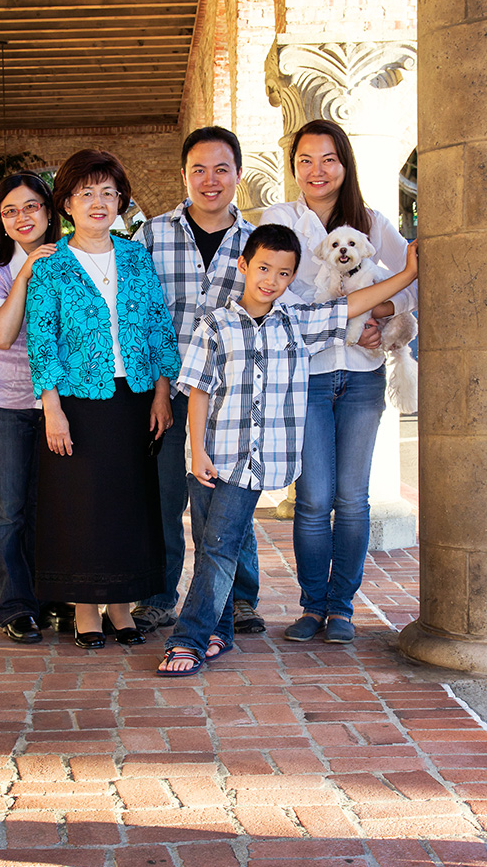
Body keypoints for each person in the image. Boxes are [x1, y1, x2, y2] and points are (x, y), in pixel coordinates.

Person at [158, 224, 419, 674]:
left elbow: (352, 304)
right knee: (216, 544)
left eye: (283, 273)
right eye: (263, 268)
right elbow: (199, 391)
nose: (271, 280)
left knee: (218, 547)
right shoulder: (214, 325)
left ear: (292, 277)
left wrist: (409, 272)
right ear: (243, 266)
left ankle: (189, 639)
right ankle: (221, 631)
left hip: (254, 462)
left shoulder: (296, 323)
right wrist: (196, 451)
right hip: (207, 457)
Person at [260, 120, 419, 644]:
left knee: (352, 499)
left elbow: (410, 284)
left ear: (344, 164)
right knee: (312, 497)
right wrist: (343, 307)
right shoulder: (282, 219)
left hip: (363, 379)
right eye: (304, 160)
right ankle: (311, 606)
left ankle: (342, 608)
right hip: (306, 376)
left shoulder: (372, 224)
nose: (316, 170)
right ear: (294, 168)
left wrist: (385, 310)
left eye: (327, 159)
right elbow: (275, 292)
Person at [26, 148, 180, 649]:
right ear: (66, 203)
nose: (98, 202)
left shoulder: (137, 257)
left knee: (129, 504)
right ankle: (85, 610)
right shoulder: (51, 264)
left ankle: (121, 605)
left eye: (108, 193)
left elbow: (158, 327)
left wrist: (161, 394)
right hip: (75, 402)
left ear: (121, 202)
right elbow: (41, 339)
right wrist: (51, 408)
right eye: (86, 193)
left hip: (133, 398)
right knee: (82, 505)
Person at [131, 126, 265, 636]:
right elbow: (141, 315)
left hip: (231, 397)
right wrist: (160, 390)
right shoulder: (151, 236)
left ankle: (239, 599)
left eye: (221, 169)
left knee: (230, 500)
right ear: (183, 175)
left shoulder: (255, 241)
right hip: (165, 392)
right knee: (165, 498)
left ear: (237, 174)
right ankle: (160, 596)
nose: (210, 181)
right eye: (198, 170)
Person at [0, 171, 65, 644]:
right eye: (10, 211)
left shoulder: (75, 260)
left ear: (49, 211)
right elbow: (2, 334)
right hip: (4, 406)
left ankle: (50, 597)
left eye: (30, 206)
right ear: (1, 222)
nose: (21, 217)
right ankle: (15, 606)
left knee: (49, 507)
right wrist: (26, 271)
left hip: (61, 407)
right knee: (8, 510)